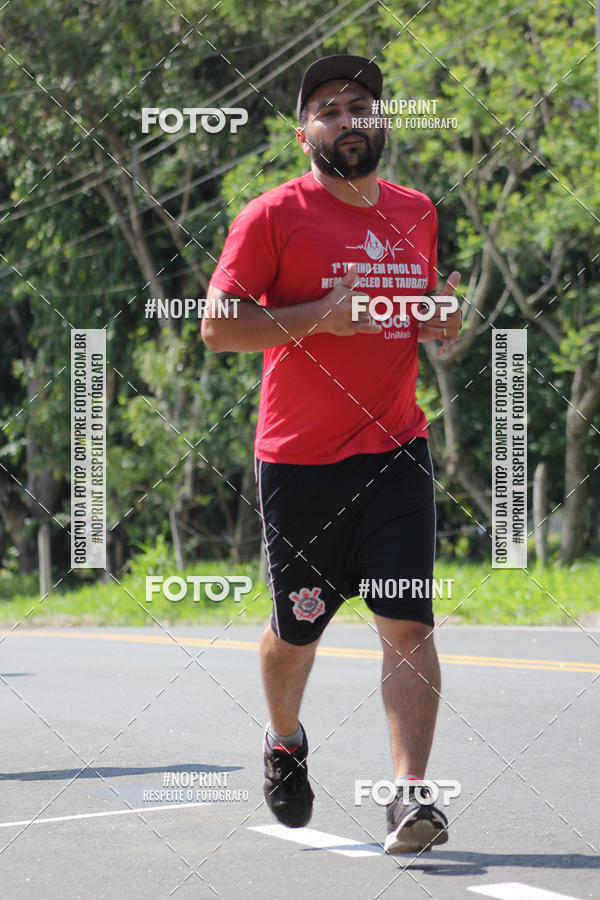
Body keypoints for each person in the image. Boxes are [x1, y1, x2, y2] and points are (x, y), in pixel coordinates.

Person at [201, 54, 461, 854]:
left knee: (408, 625)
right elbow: (217, 327)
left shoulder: (416, 211)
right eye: (329, 108)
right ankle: (285, 742)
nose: (349, 118)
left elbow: (419, 320)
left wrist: (441, 326)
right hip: (301, 462)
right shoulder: (273, 215)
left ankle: (409, 798)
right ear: (304, 131)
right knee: (298, 630)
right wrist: (316, 316)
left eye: (362, 105)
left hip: (395, 451)